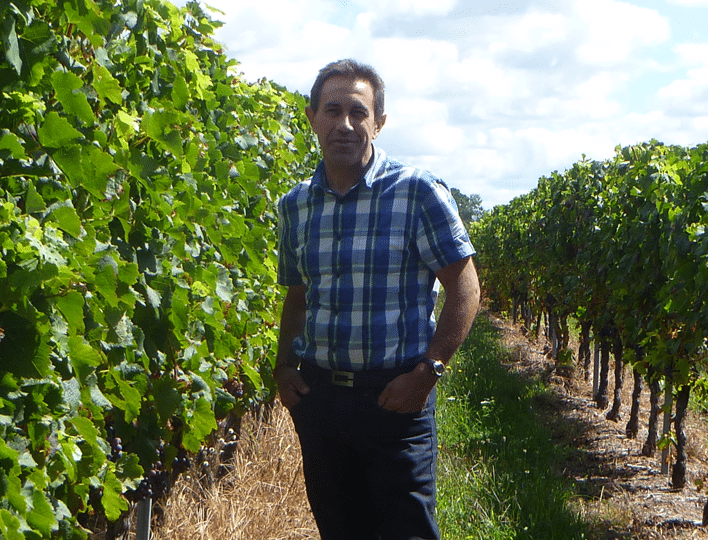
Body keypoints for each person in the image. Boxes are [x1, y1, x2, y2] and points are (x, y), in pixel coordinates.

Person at [273, 58, 480, 540]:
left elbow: (465, 288)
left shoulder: (416, 192)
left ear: (379, 123)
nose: (344, 124)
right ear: (312, 118)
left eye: (358, 112)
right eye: (332, 110)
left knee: (405, 530)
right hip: (321, 400)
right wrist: (284, 368)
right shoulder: (295, 205)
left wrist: (427, 373)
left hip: (395, 399)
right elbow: (298, 297)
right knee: (338, 528)